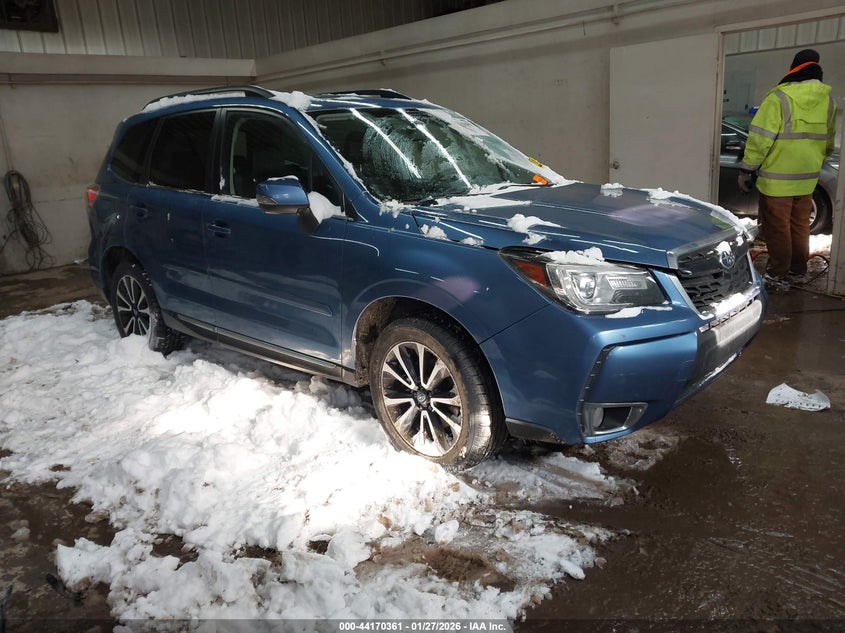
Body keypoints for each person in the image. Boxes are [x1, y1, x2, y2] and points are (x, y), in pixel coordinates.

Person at [738, 48, 837, 293]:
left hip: (777, 180)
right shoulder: (828, 101)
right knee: (800, 226)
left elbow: (760, 139)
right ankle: (796, 271)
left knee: (778, 228)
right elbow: (827, 141)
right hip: (806, 179)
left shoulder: (780, 97)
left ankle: (777, 275)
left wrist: (747, 169)